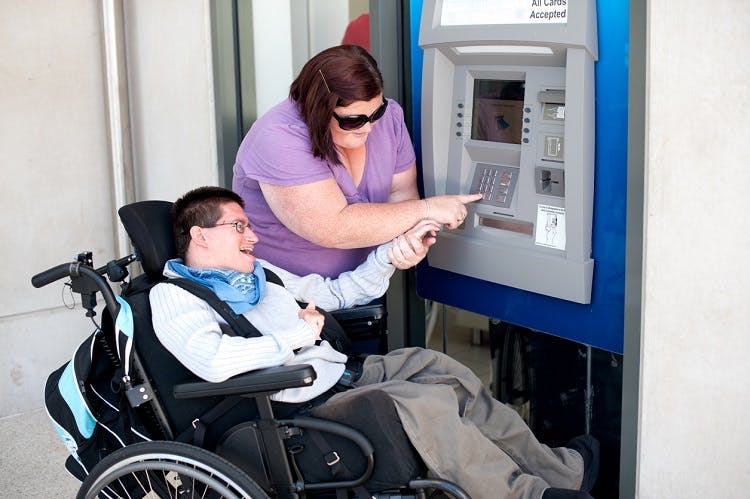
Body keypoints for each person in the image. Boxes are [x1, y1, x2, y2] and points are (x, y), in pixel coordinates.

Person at [150, 186, 599, 499]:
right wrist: (298, 335)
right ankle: (528, 496)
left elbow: (337, 293)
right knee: (427, 403)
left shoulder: (261, 275)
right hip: (295, 403)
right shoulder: (175, 297)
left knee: (441, 368)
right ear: (200, 235)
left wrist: (394, 252)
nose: (253, 236)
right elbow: (213, 360)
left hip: (338, 373)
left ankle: (559, 472)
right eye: (239, 226)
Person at [232, 44, 482, 277]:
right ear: (318, 110)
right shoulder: (278, 137)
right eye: (353, 120)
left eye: (376, 112)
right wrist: (427, 209)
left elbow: (402, 195)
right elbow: (332, 227)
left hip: (362, 285)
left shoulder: (389, 118)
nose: (369, 127)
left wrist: (407, 243)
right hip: (285, 295)